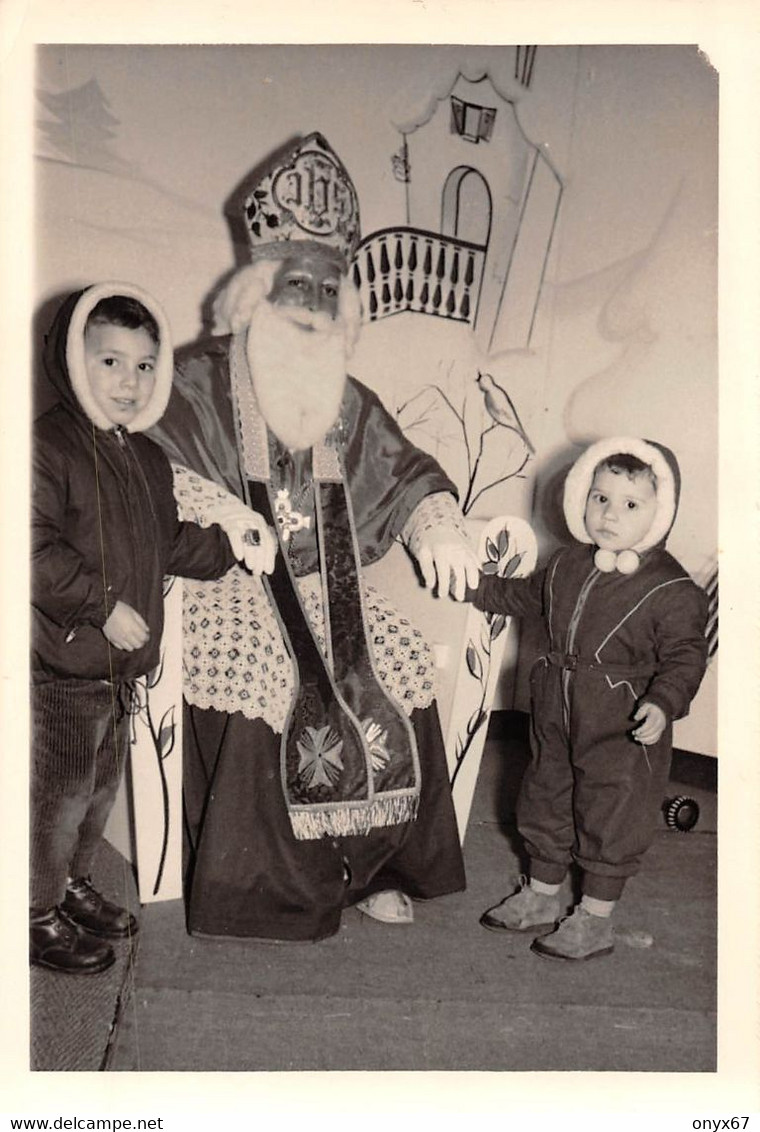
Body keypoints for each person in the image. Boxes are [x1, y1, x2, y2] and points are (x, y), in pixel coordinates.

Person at [149, 131, 480, 942]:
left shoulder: (348, 397)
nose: (312, 305)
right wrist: (225, 515)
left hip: (331, 591)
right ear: (258, 288)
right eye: (296, 286)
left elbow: (401, 470)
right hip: (222, 580)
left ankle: (374, 867)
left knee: (396, 657)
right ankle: (272, 890)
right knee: (270, 671)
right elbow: (152, 467)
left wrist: (434, 518)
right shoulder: (195, 377)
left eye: (328, 290)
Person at [31, 283, 271, 975]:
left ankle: (69, 885)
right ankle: (32, 909)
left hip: (118, 671)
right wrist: (101, 604)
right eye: (110, 362)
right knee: (59, 792)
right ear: (72, 360)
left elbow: (167, 542)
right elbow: (29, 548)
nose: (129, 382)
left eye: (142, 365)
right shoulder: (47, 446)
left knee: (99, 791)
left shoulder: (146, 458)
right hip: (64, 665)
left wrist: (232, 545)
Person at [471, 437, 709, 960]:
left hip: (621, 722)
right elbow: (522, 596)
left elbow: (686, 657)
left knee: (612, 811)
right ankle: (540, 894)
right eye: (599, 497)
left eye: (630, 504)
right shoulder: (567, 565)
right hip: (556, 709)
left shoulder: (671, 590)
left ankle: (595, 919)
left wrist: (662, 702)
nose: (610, 514)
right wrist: (472, 584)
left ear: (661, 512)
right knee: (544, 795)